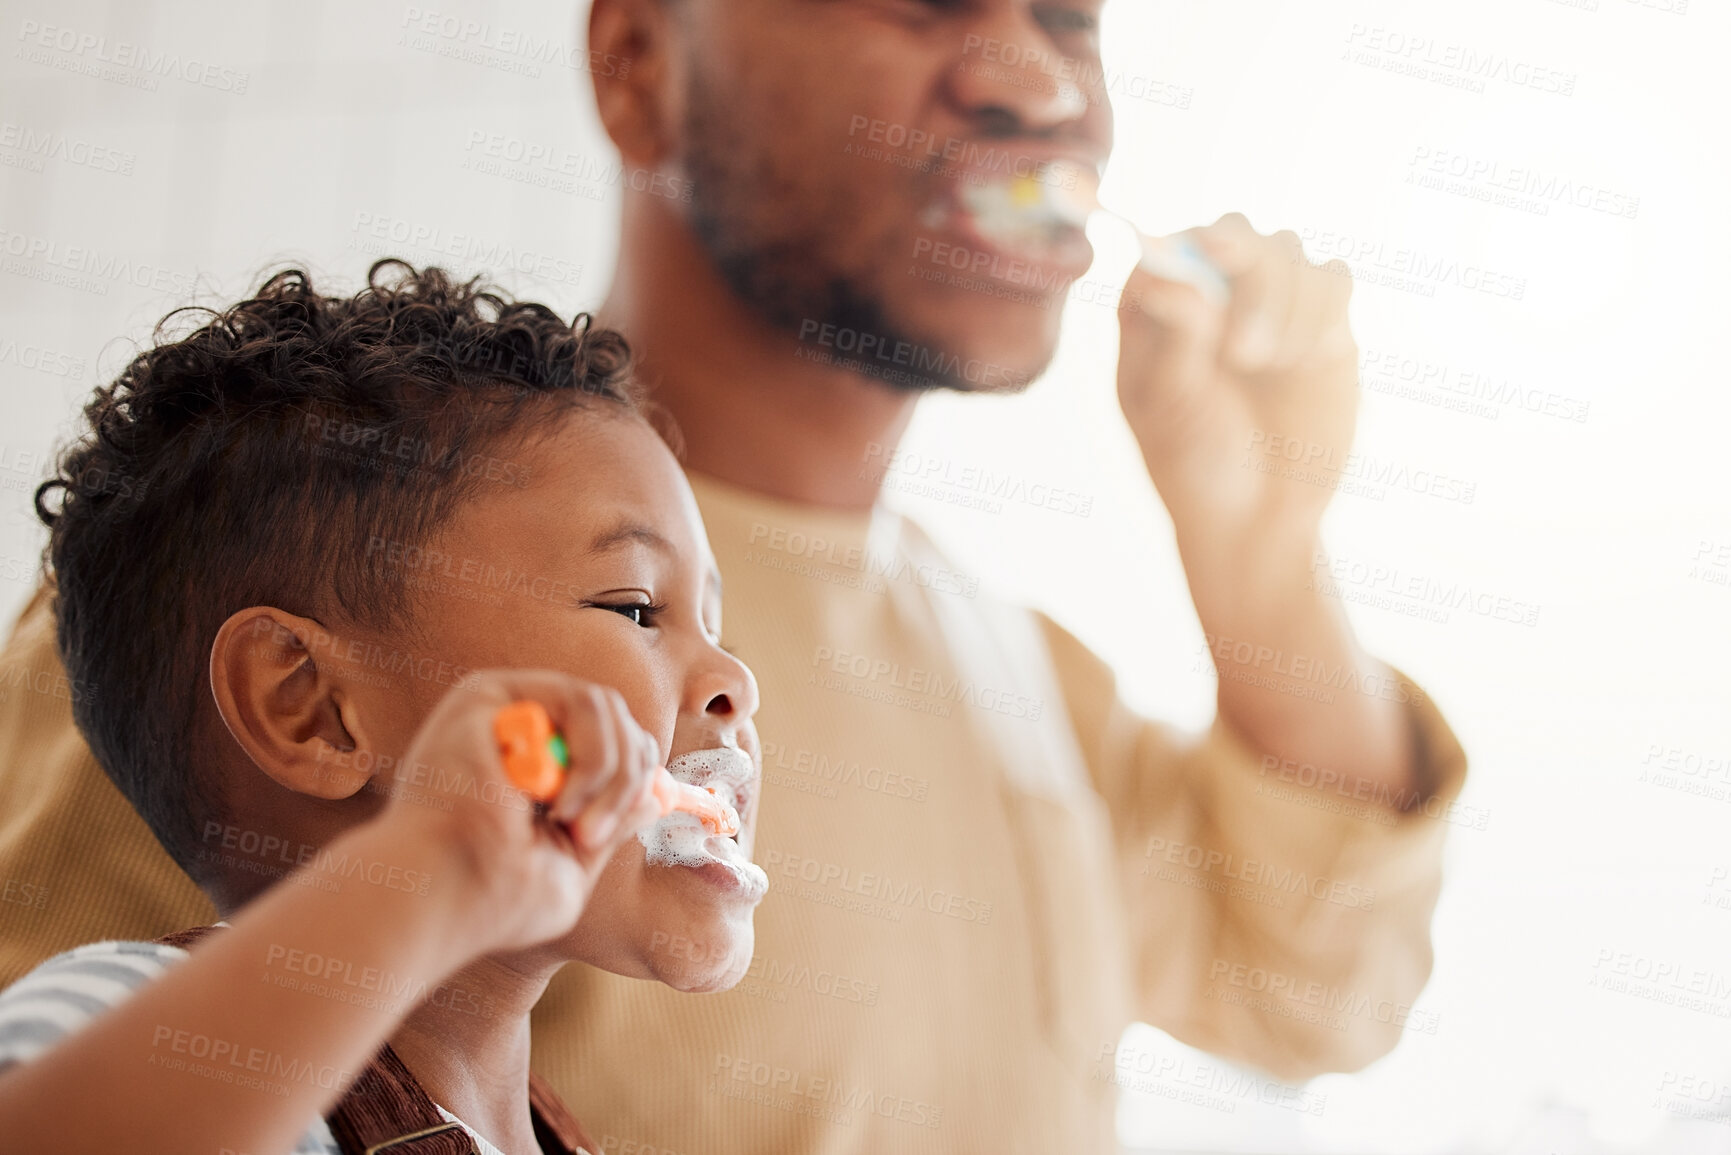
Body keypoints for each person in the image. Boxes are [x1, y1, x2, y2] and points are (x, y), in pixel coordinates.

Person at [0, 1, 1469, 1149]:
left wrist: (1259, 547)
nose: (1035, 82)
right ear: (639, 63)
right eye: (916, 1)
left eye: (1076, 19)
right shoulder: (300, 571)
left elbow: (1312, 990)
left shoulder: (1019, 668)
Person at [0, 264, 768, 1153]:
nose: (734, 679)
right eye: (635, 607)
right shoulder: (132, 1023)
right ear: (312, 709)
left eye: (719, 628)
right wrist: (432, 864)